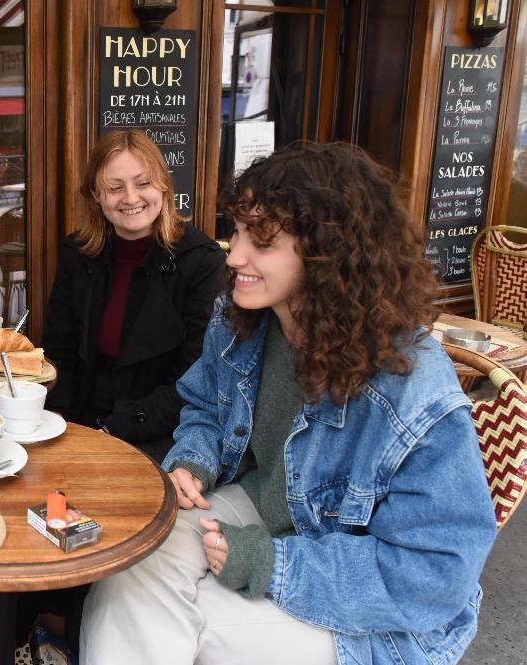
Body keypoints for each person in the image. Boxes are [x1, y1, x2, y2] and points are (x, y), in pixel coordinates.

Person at [80, 142, 497, 664]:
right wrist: (195, 460)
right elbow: (205, 403)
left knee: (191, 619)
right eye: (237, 232)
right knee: (135, 559)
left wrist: (274, 563)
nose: (234, 256)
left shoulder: (410, 387)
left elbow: (437, 573)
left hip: (374, 615)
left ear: (330, 253)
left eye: (262, 241)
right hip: (267, 506)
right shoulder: (241, 320)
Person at [44, 130, 226, 460]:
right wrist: (54, 421)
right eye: (115, 187)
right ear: (96, 195)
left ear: (163, 186)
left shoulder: (202, 261)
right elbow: (60, 350)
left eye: (143, 183)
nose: (130, 198)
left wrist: (111, 432)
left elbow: (194, 381)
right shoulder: (77, 253)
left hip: (161, 435)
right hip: (78, 427)